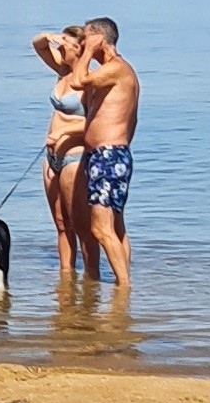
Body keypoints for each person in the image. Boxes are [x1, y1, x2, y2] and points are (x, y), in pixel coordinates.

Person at [71, 15, 141, 294]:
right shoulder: (112, 73)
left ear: (100, 37)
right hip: (107, 155)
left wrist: (88, 52)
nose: (82, 43)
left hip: (109, 156)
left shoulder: (117, 68)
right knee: (116, 227)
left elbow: (79, 80)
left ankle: (123, 290)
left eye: (86, 37)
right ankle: (122, 287)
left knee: (101, 229)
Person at [30, 24, 94, 282]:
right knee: (60, 223)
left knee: (80, 225)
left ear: (79, 50)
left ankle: (92, 277)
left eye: (65, 46)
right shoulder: (63, 70)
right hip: (51, 157)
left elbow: (95, 122)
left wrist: (64, 135)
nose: (59, 48)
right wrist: (47, 36)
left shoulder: (89, 80)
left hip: (74, 156)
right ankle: (66, 277)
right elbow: (38, 45)